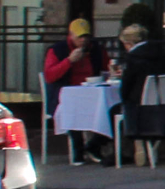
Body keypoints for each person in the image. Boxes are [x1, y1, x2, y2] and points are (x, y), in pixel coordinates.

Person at [43, 19, 114, 164]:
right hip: (65, 92)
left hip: (91, 91)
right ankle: (78, 148)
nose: (83, 40)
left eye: (86, 37)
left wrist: (112, 72)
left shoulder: (96, 49)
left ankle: (94, 144)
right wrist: (69, 61)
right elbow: (49, 76)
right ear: (71, 35)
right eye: (79, 37)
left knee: (112, 108)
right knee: (71, 106)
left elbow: (106, 68)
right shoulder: (57, 50)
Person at [115, 22, 165, 157]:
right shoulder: (161, 53)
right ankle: (144, 147)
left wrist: (123, 97)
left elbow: (126, 86)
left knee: (114, 110)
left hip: (141, 104)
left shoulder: (133, 58)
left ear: (128, 42)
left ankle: (127, 150)